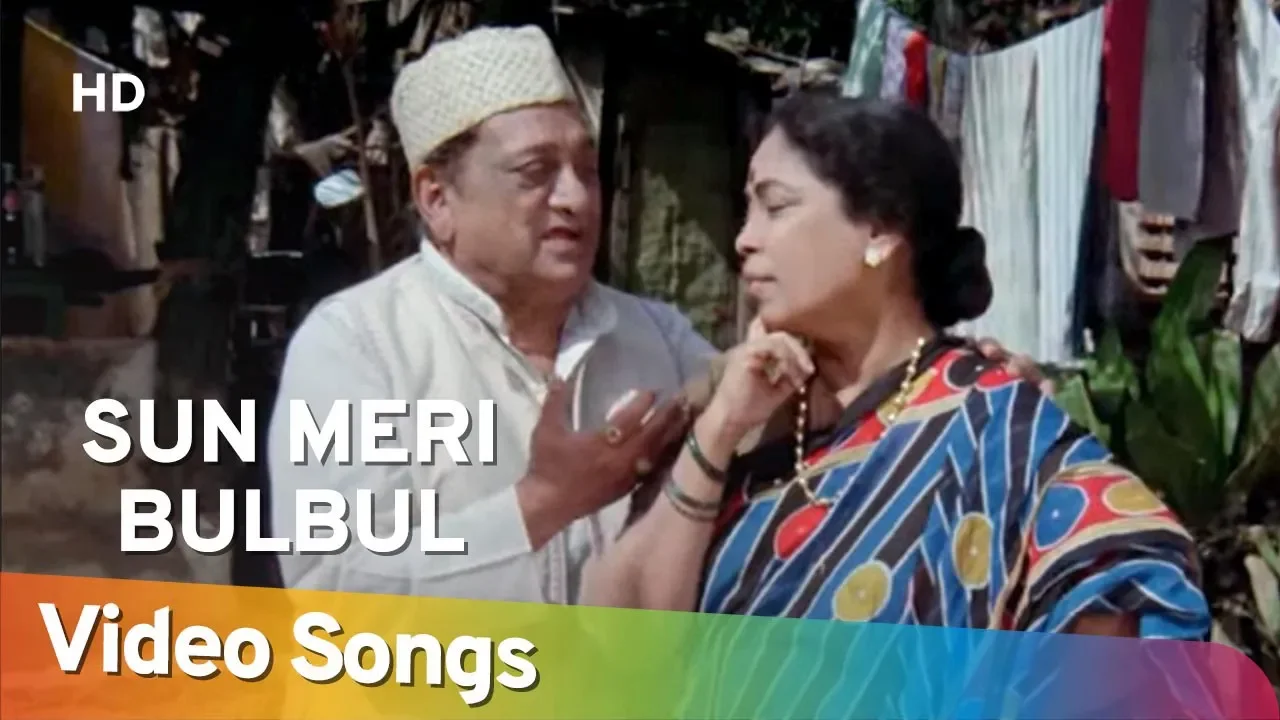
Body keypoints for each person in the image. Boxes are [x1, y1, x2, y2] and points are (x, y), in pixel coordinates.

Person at [266, 26, 1049, 606]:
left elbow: (798, 439)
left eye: (586, 169)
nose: (575, 198)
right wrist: (542, 505)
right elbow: (334, 595)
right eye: (536, 173)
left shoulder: (656, 336)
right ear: (437, 199)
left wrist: (943, 389)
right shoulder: (357, 346)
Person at [580, 92, 1210, 644]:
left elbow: (1125, 583)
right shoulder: (737, 414)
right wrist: (718, 432)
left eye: (776, 207)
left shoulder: (994, 428)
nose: (745, 238)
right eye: (748, 210)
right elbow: (617, 642)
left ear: (880, 231)